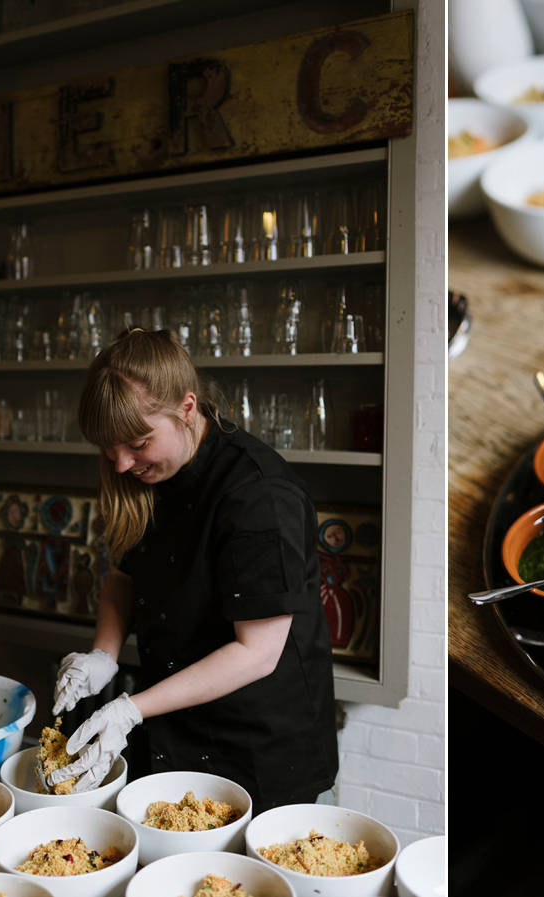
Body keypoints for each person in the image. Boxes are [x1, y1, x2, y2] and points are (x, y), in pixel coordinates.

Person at [47, 327, 339, 811]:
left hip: (261, 750)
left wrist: (129, 709)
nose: (121, 464)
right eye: (107, 448)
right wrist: (103, 654)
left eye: (137, 442)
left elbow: (257, 654)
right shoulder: (145, 474)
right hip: (172, 731)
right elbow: (123, 577)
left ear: (187, 407)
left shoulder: (259, 495)